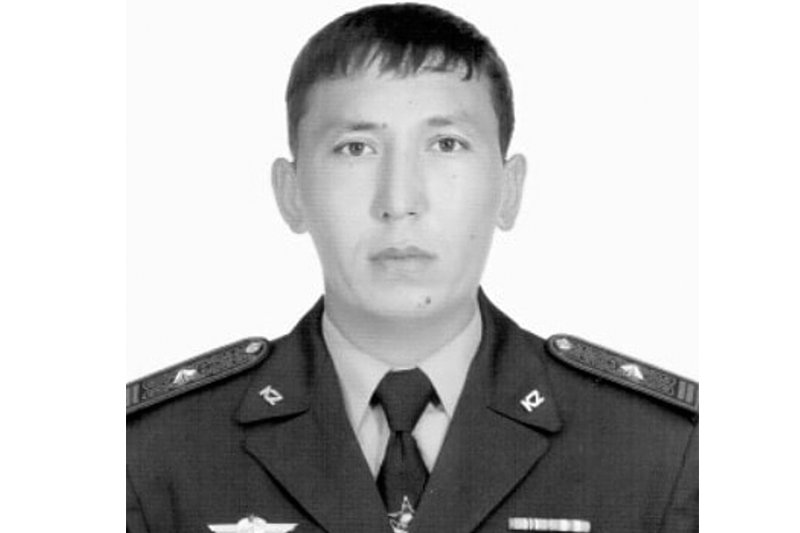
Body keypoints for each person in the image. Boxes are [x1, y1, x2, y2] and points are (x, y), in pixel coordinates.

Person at [127, 4, 698, 532]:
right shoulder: (157, 453)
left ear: (509, 189)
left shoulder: (658, 452)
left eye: (446, 144)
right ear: (291, 192)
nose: (399, 201)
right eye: (355, 148)